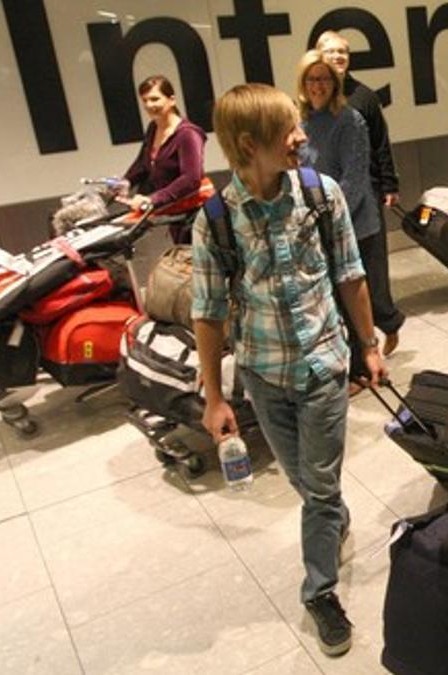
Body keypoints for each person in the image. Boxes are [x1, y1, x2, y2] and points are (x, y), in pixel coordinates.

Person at [190, 83, 388, 657]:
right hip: (263, 374)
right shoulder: (217, 221)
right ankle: (331, 517)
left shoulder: (321, 195)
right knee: (308, 483)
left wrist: (368, 345)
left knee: (318, 487)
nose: (303, 137)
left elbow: (351, 275)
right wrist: (213, 398)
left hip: (325, 366)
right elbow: (208, 311)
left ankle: (319, 592)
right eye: (290, 130)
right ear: (250, 145)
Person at [295, 50, 399, 394]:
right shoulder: (302, 121)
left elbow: (354, 178)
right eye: (311, 79)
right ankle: (349, 363)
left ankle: (361, 370)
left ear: (335, 82)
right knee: (333, 301)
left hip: (355, 221)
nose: (318, 85)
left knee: (354, 296)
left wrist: (329, 219)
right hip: (318, 223)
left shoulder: (350, 119)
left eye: (324, 78)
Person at [316, 31, 405, 356]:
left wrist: (390, 184)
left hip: (363, 196)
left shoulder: (362, 98)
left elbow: (381, 143)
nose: (338, 57)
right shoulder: (311, 99)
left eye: (343, 52)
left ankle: (389, 322)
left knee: (372, 270)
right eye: (331, 51)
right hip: (324, 202)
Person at [121, 75, 206, 243]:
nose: (149, 105)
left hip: (196, 217)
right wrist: (124, 182)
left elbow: (191, 178)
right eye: (145, 100)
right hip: (176, 215)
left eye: (155, 99)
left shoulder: (188, 134)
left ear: (172, 100)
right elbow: (143, 164)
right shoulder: (153, 128)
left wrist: (152, 199)